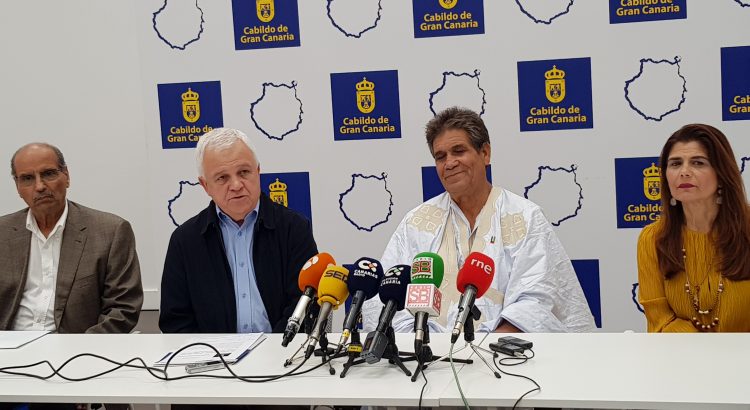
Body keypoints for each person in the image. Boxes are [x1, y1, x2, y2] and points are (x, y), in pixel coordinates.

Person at [362, 107, 595, 333]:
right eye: (441, 157)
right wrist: (423, 346)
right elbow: (387, 300)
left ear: (485, 153)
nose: (449, 163)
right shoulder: (417, 223)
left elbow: (537, 299)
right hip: (425, 355)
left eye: (458, 151)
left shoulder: (524, 216)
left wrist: (484, 350)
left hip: (504, 353)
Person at [159, 128, 318, 334]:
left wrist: (276, 348)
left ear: (258, 171)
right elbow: (175, 322)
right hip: (212, 353)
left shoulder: (293, 229)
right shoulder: (185, 241)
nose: (236, 185)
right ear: (205, 186)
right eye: (222, 178)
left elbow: (305, 305)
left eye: (243, 172)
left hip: (282, 350)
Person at [0, 143, 143, 334]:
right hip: (9, 346)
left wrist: (79, 347)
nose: (40, 186)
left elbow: (122, 309)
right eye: (27, 178)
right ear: (17, 187)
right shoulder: (3, 233)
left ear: (66, 176)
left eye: (48, 174)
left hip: (78, 346)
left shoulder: (110, 231)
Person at [638, 124, 750, 332]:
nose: (684, 172)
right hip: (682, 352)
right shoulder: (652, 238)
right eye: (675, 164)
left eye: (698, 163)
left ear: (721, 173)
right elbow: (660, 320)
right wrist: (702, 348)